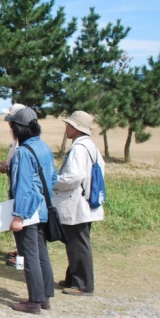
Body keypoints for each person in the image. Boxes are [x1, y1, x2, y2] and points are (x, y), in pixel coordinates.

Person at [8, 107, 58, 314]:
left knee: (29, 255)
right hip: (43, 208)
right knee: (41, 253)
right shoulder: (44, 147)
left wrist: (19, 216)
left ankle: (34, 301)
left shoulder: (22, 153)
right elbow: (53, 178)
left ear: (18, 129)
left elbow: (23, 186)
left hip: (28, 211)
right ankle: (45, 297)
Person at [53, 111, 104, 296]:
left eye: (68, 124)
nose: (66, 127)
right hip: (86, 200)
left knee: (78, 243)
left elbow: (73, 177)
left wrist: (54, 181)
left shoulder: (79, 148)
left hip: (77, 201)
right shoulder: (90, 146)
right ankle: (73, 278)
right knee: (75, 242)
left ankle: (83, 284)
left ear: (76, 127)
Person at [0, 104, 26, 266]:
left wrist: (7, 168)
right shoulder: (17, 140)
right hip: (14, 186)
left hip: (19, 189)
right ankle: (19, 252)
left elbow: (20, 168)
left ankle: (21, 257)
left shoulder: (21, 143)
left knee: (20, 224)